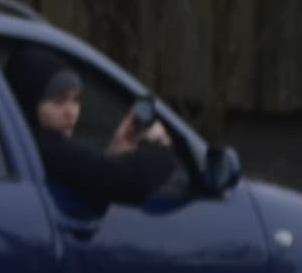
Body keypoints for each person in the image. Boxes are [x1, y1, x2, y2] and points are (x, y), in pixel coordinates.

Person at [25, 58, 185, 210]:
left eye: (75, 100)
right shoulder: (47, 148)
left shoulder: (27, 147)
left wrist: (115, 154)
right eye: (59, 101)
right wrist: (161, 147)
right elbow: (130, 183)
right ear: (32, 103)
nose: (71, 112)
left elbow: (94, 180)